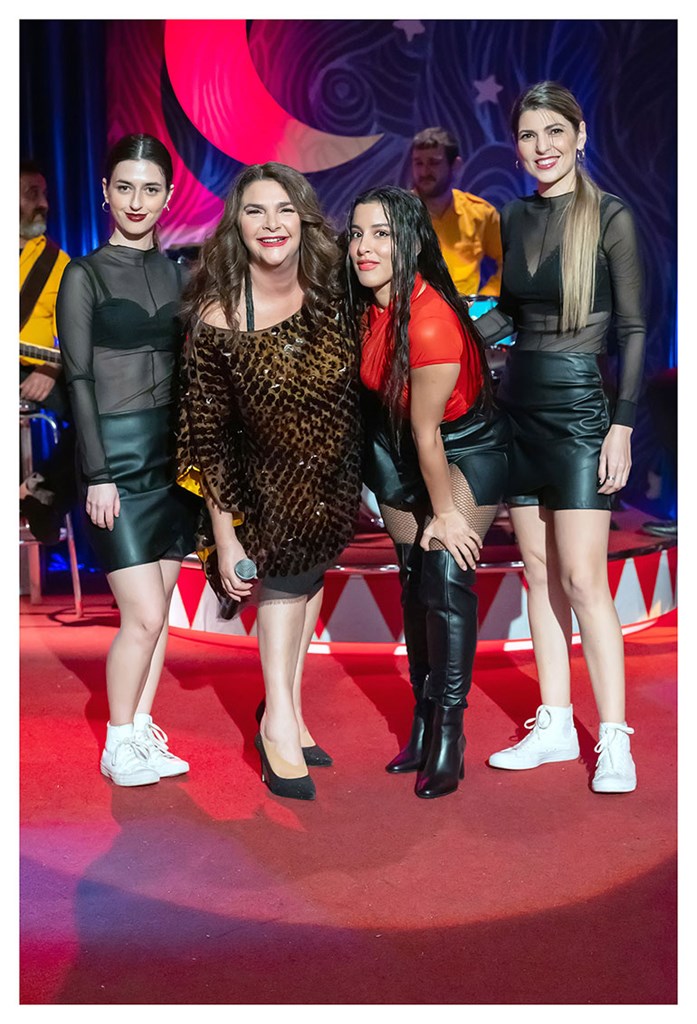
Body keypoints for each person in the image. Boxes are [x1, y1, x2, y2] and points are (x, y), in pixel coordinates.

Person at [474, 82, 645, 793]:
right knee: (538, 573)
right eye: (527, 135)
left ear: (579, 135)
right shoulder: (512, 216)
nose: (540, 146)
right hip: (517, 406)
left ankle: (614, 738)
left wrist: (621, 423)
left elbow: (634, 328)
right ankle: (553, 722)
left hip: (579, 410)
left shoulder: (610, 216)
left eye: (553, 131)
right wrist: (462, 325)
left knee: (581, 578)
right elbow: (513, 313)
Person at [177, 162, 362, 802]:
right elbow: (207, 438)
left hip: (332, 486)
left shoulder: (336, 296)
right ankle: (276, 726)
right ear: (238, 225)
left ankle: (291, 710)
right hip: (264, 491)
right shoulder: (217, 318)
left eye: (284, 209)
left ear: (304, 219)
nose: (272, 224)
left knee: (308, 582)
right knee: (284, 584)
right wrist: (227, 536)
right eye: (255, 210)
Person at [344, 185, 509, 799]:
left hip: (462, 447)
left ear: (410, 242)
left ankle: (448, 732)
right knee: (415, 581)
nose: (364, 247)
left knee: (444, 574)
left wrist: (446, 515)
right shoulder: (363, 303)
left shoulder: (432, 321)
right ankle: (421, 717)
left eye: (381, 234)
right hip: (398, 447)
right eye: (357, 233)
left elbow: (430, 434)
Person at [56, 133, 199, 787]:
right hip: (114, 460)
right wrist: (98, 474)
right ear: (105, 192)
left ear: (168, 197)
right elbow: (78, 379)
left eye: (150, 189)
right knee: (140, 614)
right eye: (124, 187)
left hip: (171, 465)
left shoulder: (180, 274)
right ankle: (118, 743)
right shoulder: (82, 276)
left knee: (159, 610)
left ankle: (142, 728)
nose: (136, 201)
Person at [19, 159, 74, 544]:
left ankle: (42, 492)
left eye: (44, 194)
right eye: (31, 194)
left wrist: (50, 369)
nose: (44, 204)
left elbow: (69, 335)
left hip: (36, 370)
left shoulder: (58, 262)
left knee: (96, 414)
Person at [410, 127, 502, 298]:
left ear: (456, 165)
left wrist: (483, 301)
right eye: (418, 163)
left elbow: (511, 260)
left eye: (434, 163)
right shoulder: (397, 214)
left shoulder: (480, 213)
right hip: (413, 309)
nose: (424, 172)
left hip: (465, 309)